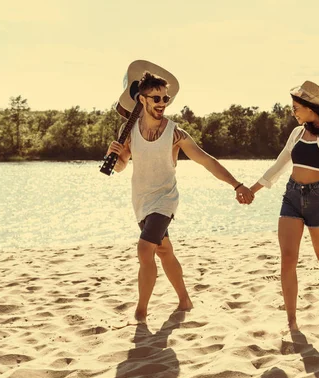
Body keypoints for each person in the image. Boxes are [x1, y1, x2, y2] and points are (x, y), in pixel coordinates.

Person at [106, 71, 254, 322]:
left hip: (165, 200)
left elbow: (207, 160)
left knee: (145, 250)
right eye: (156, 98)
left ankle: (141, 312)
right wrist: (116, 153)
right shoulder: (128, 129)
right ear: (142, 100)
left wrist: (237, 184)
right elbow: (120, 167)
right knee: (163, 250)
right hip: (141, 200)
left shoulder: (175, 134)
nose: (162, 103)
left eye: (166, 98)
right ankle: (184, 299)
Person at [249, 81, 319, 331]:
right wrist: (253, 189)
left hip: (318, 199)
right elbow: (279, 165)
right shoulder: (296, 133)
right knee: (288, 259)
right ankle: (291, 319)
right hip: (291, 197)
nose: (293, 112)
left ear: (311, 108)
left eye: (296, 107)